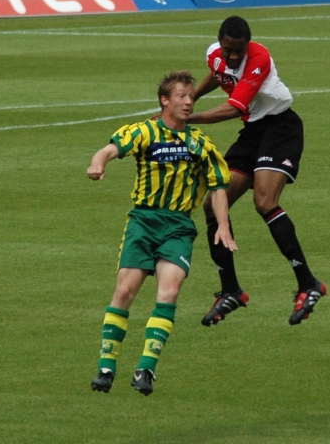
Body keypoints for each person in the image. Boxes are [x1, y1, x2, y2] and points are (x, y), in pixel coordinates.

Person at [88, 71, 236, 396]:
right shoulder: (144, 131)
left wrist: (223, 225)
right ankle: (106, 366)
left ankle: (146, 369)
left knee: (168, 293)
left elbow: (218, 185)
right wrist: (98, 163)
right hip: (143, 222)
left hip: (179, 227)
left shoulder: (200, 143)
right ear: (164, 101)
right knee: (125, 292)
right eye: (181, 96)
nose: (188, 101)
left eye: (190, 96)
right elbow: (110, 149)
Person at [187, 15, 326, 327]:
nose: (233, 55)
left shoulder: (259, 58)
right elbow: (218, 73)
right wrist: (192, 97)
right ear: (220, 43)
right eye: (228, 49)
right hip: (253, 132)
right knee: (212, 203)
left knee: (264, 202)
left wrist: (184, 117)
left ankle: (308, 284)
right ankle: (230, 291)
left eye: (239, 49)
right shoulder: (215, 54)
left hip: (281, 128)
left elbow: (233, 108)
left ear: (247, 44)